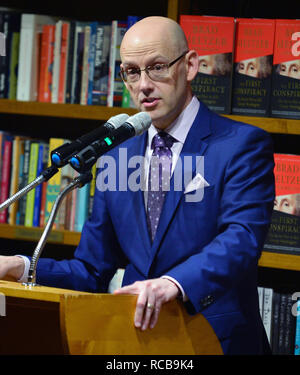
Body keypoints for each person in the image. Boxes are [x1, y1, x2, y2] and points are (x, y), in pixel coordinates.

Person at [0, 16, 275, 354]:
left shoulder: (240, 145)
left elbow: (241, 240)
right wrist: (22, 266)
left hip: (215, 340)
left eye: (157, 67)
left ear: (189, 66)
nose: (144, 84)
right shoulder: (117, 156)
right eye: (131, 71)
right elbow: (90, 270)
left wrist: (173, 284)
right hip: (133, 344)